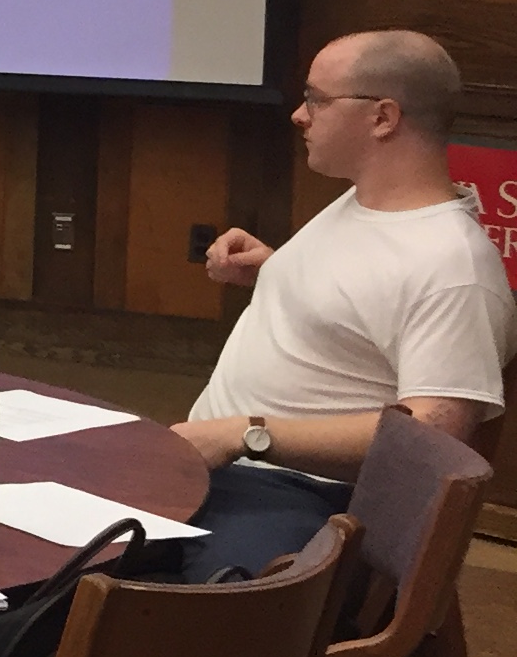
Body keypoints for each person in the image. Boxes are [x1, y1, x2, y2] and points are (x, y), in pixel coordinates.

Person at [173, 29, 516, 578]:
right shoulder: (366, 202)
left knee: (160, 625)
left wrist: (245, 433)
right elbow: (370, 303)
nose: (299, 116)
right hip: (220, 463)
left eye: (317, 99)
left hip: (303, 494)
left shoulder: (453, 268)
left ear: (383, 117)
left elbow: (433, 431)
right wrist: (275, 269)